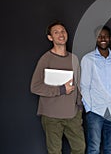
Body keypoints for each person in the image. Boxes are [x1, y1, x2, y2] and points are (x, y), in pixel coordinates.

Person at [31, 21, 85, 154]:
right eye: (56, 32)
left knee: (80, 148)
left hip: (72, 115)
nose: (61, 34)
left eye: (63, 31)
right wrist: (61, 89)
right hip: (51, 116)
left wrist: (79, 106)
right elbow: (35, 87)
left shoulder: (74, 58)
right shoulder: (46, 59)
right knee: (55, 151)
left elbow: (78, 84)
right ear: (50, 37)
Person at [80, 26, 111, 154]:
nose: (103, 39)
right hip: (95, 111)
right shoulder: (87, 59)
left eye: (105, 36)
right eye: (99, 36)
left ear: (110, 38)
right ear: (96, 39)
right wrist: (90, 108)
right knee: (93, 148)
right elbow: (84, 86)